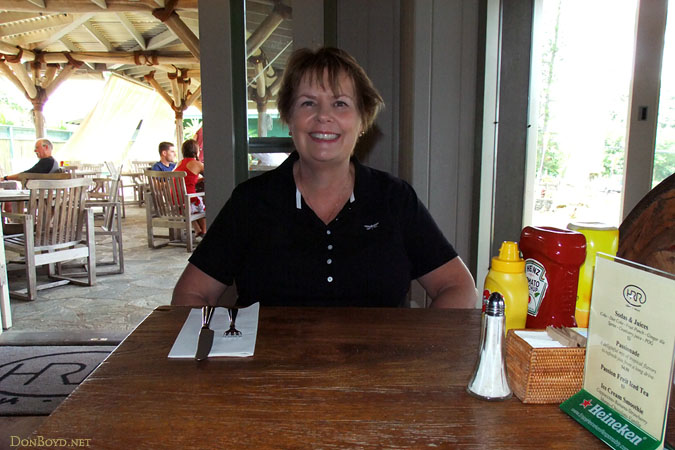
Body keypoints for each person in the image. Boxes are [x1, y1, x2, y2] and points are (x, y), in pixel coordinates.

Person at [172, 47, 477, 309]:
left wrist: (422, 357)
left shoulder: (394, 198)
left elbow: (459, 288)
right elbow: (190, 293)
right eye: (308, 103)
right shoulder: (251, 201)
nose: (323, 116)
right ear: (289, 119)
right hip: (272, 377)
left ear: (362, 120)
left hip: (375, 376)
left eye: (340, 103)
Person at [174, 139, 206, 237]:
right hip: (188, 201)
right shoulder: (197, 164)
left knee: (193, 203)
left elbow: (187, 180)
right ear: (196, 151)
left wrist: (199, 180)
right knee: (201, 204)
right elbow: (212, 175)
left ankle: (198, 230)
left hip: (175, 200)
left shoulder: (179, 163)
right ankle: (205, 232)